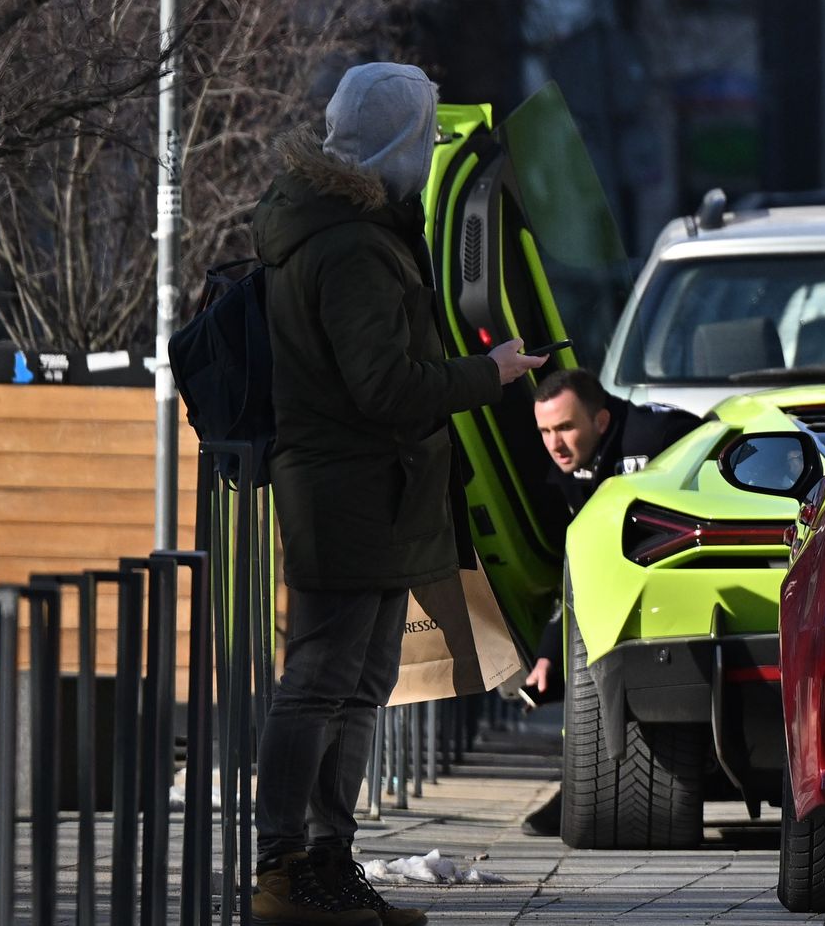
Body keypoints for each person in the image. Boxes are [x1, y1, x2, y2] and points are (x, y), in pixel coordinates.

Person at [250, 62, 546, 926]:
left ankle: (328, 867)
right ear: (401, 140)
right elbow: (383, 386)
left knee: (357, 681)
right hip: (347, 494)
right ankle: (286, 870)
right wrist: (483, 373)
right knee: (322, 681)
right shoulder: (348, 243)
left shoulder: (354, 225)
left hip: (369, 495)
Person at [521, 368, 700, 835]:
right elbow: (579, 566)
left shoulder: (661, 434)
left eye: (565, 428)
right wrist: (547, 652)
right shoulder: (567, 469)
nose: (555, 443)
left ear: (601, 421)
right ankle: (582, 786)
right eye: (544, 432)